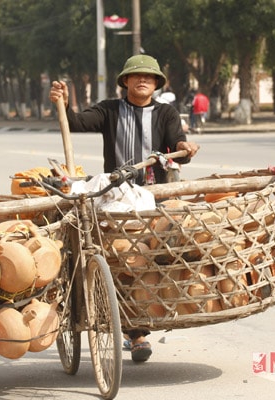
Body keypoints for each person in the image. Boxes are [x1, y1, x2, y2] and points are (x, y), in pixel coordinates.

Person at [49, 54, 200, 363]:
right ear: (126, 82)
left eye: (149, 77)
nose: (142, 80)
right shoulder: (109, 110)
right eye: (136, 76)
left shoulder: (166, 114)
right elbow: (77, 122)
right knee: (123, 262)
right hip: (116, 200)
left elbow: (177, 148)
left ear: (156, 83)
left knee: (148, 263)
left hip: (153, 199)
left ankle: (140, 325)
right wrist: (63, 104)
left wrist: (186, 150)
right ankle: (135, 332)